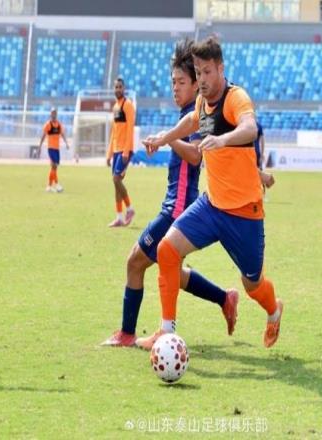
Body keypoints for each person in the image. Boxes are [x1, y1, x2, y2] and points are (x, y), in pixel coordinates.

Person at [138, 36, 284, 350]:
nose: (202, 79)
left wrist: (223, 139)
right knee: (167, 250)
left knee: (252, 284)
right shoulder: (202, 102)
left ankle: (274, 310)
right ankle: (166, 331)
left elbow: (249, 128)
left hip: (244, 213)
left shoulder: (235, 97)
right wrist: (163, 138)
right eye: (198, 72)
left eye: (207, 72)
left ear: (220, 68)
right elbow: (193, 121)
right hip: (211, 206)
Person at [101, 39, 238, 347]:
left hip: (177, 209)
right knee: (171, 267)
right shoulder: (189, 114)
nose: (175, 88)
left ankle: (127, 333)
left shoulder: (197, 116)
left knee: (135, 262)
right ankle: (225, 298)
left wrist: (167, 139)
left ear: (196, 84)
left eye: (181, 82)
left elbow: (196, 156)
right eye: (172, 82)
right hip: (178, 204)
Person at [106, 78, 136, 227]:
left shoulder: (128, 105)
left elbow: (130, 129)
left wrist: (126, 151)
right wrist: (109, 153)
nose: (118, 89)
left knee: (116, 179)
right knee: (116, 183)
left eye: (120, 87)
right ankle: (119, 217)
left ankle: (130, 209)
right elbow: (114, 132)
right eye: (116, 87)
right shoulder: (115, 107)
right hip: (117, 150)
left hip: (125, 150)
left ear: (124, 89)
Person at [38, 108, 70, 193]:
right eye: (52, 113)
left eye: (55, 113)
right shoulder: (48, 124)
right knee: (54, 165)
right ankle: (56, 184)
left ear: (56, 114)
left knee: (54, 167)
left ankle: (49, 186)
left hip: (57, 149)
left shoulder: (59, 125)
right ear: (50, 114)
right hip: (51, 148)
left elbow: (62, 134)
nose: (53, 114)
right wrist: (40, 146)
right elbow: (43, 136)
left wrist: (66, 143)